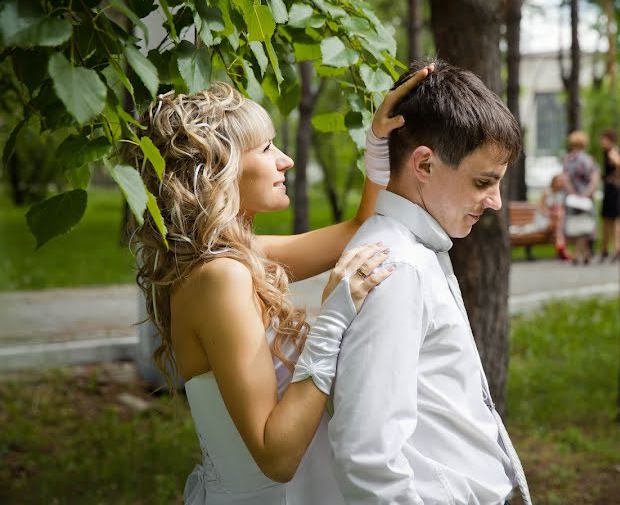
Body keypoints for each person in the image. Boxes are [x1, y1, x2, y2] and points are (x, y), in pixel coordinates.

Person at [129, 68, 431, 504]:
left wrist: (378, 141)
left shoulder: (241, 256)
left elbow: (363, 227)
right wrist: (335, 320)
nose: (285, 159)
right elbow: (277, 457)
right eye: (267, 148)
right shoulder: (221, 277)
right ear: (219, 169)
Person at [294, 60, 531, 504]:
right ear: (423, 163)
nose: (495, 201)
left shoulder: (416, 250)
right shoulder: (395, 268)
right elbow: (368, 456)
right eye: (483, 182)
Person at [561, 130, 600, 265]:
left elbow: (565, 179)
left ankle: (579, 255)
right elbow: (595, 180)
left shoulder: (567, 160)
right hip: (585, 199)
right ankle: (584, 255)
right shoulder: (588, 160)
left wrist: (573, 193)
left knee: (576, 225)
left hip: (572, 199)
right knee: (585, 226)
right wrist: (586, 194)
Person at [598, 129, 620, 262]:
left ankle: (615, 248)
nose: (602, 142)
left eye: (604, 140)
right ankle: (606, 249)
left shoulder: (612, 152)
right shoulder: (610, 151)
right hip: (612, 189)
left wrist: (614, 177)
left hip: (612, 190)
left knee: (612, 220)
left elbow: (619, 163)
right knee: (609, 220)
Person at [538, 173, 572, 261]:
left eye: (561, 182)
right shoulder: (546, 193)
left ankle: (560, 245)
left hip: (556, 221)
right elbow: (540, 208)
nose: (560, 183)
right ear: (553, 182)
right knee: (559, 220)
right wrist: (550, 214)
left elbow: (561, 209)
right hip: (544, 219)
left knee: (560, 216)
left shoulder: (561, 194)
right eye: (558, 181)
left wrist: (556, 213)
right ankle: (562, 248)